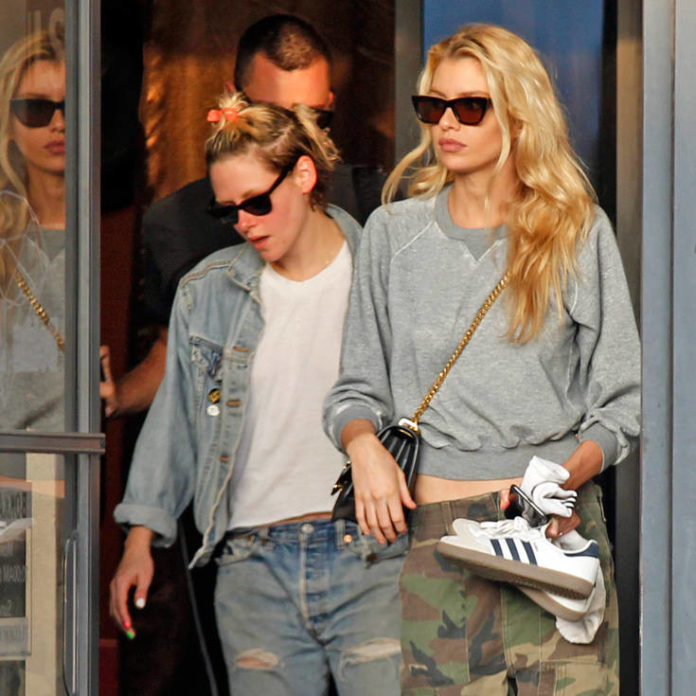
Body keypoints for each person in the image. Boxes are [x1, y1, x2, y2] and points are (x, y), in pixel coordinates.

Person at [323, 24, 640, 695]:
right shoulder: (393, 235)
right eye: (433, 106)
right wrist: (364, 447)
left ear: (518, 115)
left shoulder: (575, 231)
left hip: (552, 531)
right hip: (440, 540)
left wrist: (560, 480)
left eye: (470, 106)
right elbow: (355, 389)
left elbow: (621, 405)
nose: (446, 123)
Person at [110, 92, 405, 695]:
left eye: (257, 202)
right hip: (253, 565)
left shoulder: (384, 272)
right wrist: (139, 539)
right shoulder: (207, 292)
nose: (244, 222)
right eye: (228, 211)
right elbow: (176, 423)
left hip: (372, 552)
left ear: (304, 175)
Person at [99, 14, 386, 417]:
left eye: (313, 118)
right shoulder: (177, 222)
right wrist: (119, 398)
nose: (294, 138)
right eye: (273, 119)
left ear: (331, 106)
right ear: (233, 102)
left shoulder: (375, 207)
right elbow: (176, 353)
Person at [0, 29, 66, 432]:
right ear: (8, 123)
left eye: (71, 107)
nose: (58, 124)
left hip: (78, 451)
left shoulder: (116, 238)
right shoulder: (6, 236)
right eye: (36, 109)